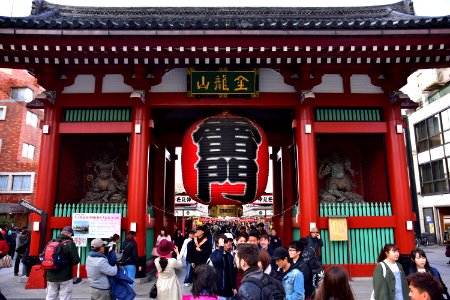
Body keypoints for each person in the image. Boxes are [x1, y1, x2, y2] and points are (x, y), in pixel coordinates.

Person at [46, 226, 81, 300]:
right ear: (69, 234)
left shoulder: (52, 242)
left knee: (50, 296)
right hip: (65, 276)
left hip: (51, 275)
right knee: (64, 296)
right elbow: (76, 260)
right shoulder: (70, 244)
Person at [209, 234, 237, 300]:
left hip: (229, 290)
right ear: (218, 244)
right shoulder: (213, 254)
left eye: (227, 242)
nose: (227, 244)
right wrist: (221, 247)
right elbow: (218, 261)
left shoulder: (229, 255)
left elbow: (232, 272)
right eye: (224, 242)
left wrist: (234, 287)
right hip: (218, 290)